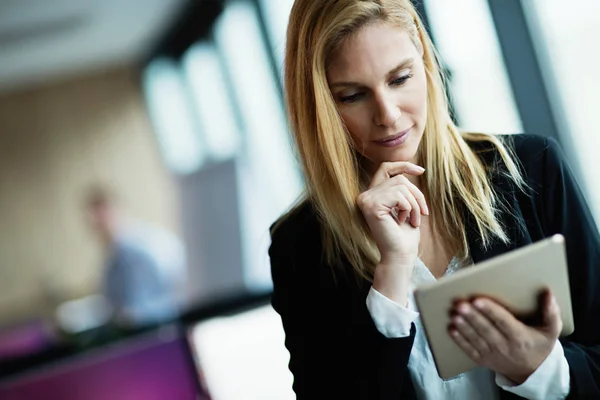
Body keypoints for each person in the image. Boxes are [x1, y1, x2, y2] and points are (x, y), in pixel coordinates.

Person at [268, 0, 600, 399]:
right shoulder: (300, 245)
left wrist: (542, 369)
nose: (388, 115)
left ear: (425, 64)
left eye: (400, 78)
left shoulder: (529, 170)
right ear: (319, 107)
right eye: (353, 95)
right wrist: (391, 278)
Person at [85, 186, 187, 329]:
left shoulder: (138, 248)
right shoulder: (112, 256)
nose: (96, 223)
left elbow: (141, 308)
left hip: (159, 327)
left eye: (101, 214)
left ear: (116, 210)